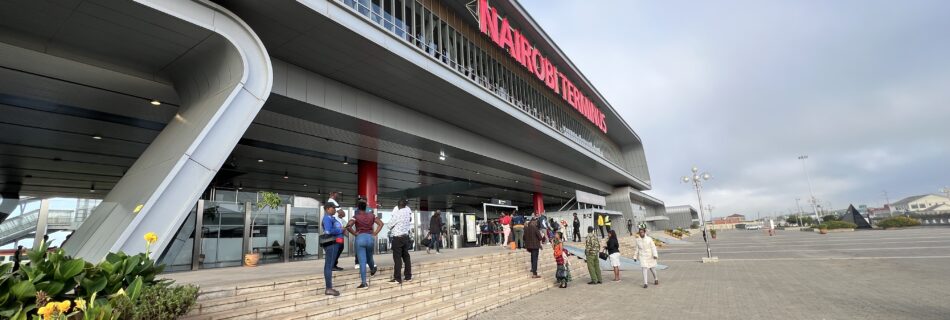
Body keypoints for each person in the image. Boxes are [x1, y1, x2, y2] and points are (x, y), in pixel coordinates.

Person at [345, 199, 383, 289]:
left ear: (358, 208)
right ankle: (373, 269)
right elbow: (381, 224)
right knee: (369, 257)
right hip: (370, 238)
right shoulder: (372, 215)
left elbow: (348, 226)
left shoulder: (355, 216)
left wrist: (354, 233)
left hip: (360, 239)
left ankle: (364, 283)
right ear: (366, 207)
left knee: (362, 262)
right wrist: (375, 233)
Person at [321, 203, 344, 296]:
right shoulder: (327, 218)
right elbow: (328, 231)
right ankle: (329, 288)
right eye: (333, 208)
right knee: (329, 265)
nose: (335, 210)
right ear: (327, 209)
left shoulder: (332, 218)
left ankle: (329, 287)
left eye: (335, 208)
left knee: (329, 265)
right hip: (331, 244)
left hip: (336, 243)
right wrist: (340, 230)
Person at [388, 198, 413, 284]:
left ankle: (397, 278)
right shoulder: (407, 213)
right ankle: (408, 276)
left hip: (397, 238)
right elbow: (410, 220)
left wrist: (392, 226)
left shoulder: (398, 213)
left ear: (398, 205)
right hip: (405, 237)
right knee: (406, 257)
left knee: (397, 258)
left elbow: (389, 225)